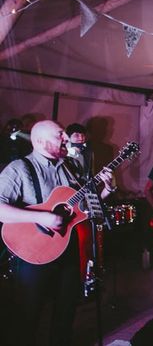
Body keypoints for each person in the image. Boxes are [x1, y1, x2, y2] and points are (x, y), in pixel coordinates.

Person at [0, 120, 114, 346]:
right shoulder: (19, 169)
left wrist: (106, 190)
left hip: (66, 249)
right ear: (40, 141)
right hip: (32, 253)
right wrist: (41, 216)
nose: (65, 138)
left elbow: (83, 210)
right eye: (59, 135)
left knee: (66, 312)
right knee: (28, 316)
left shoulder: (69, 168)